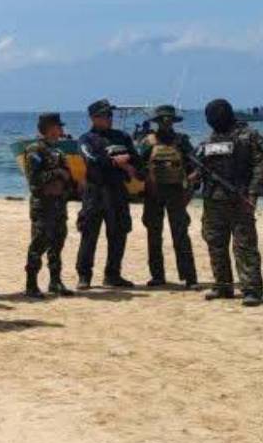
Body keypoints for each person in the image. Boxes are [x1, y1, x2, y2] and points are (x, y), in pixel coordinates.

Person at [196, 98, 263, 306]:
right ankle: (223, 286)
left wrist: (252, 194)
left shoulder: (249, 136)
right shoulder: (209, 141)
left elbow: (259, 166)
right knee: (215, 242)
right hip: (213, 200)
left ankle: (252, 289)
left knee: (244, 245)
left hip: (240, 198)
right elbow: (200, 168)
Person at [75, 98, 141, 290]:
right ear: (94, 118)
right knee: (89, 233)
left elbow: (136, 160)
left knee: (119, 233)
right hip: (95, 191)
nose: (109, 118)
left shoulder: (122, 137)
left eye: (111, 115)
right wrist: (114, 162)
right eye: (105, 115)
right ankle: (84, 276)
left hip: (117, 190)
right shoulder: (86, 139)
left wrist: (128, 161)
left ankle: (113, 275)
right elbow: (91, 160)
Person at [137, 104, 198, 289]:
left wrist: (191, 185)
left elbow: (194, 165)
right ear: (157, 122)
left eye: (169, 120)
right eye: (163, 120)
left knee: (180, 235)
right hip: (153, 193)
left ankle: (189, 277)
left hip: (176, 192)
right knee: (154, 235)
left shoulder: (182, 141)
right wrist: (147, 176)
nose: (166, 123)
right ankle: (157, 276)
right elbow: (139, 167)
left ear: (173, 122)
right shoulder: (148, 142)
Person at [23, 112, 76, 298]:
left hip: (59, 203)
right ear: (49, 128)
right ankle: (31, 284)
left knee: (57, 243)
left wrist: (66, 181)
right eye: (58, 127)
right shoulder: (34, 150)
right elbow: (34, 179)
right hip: (43, 204)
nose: (61, 130)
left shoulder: (58, 151)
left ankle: (55, 281)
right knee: (39, 243)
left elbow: (69, 177)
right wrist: (57, 173)